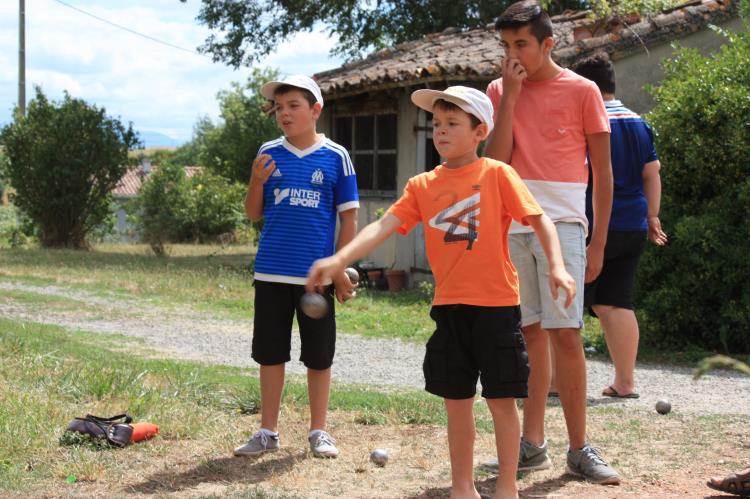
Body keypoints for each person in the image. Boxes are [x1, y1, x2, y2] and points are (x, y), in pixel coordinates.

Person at [307, 86, 576, 499]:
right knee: (457, 401)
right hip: (449, 308)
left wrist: (557, 266)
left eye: (453, 123)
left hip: (497, 307)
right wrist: (338, 259)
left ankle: (507, 487)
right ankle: (462, 489)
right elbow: (382, 227)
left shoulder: (497, 174)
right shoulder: (422, 185)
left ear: (479, 130)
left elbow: (540, 222)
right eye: (437, 124)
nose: (441, 132)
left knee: (503, 400)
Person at [484, 0, 620, 485]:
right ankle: (533, 445)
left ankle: (580, 449)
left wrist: (599, 242)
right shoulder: (501, 89)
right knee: (530, 336)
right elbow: (495, 164)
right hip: (515, 226)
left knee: (566, 334)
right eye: (506, 45)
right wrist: (512, 98)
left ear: (548, 43)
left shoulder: (583, 91)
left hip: (564, 227)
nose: (513, 53)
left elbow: (603, 174)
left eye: (521, 44)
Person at [233, 75, 359, 459]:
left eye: (293, 106)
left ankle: (318, 431)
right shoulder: (268, 154)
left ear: (315, 110)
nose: (284, 114)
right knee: (270, 355)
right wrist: (256, 181)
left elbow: (349, 221)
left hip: (315, 279)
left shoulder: (336, 157)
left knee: (319, 357)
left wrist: (338, 270)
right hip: (270, 272)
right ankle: (267, 431)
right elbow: (254, 213)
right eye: (279, 107)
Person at [570, 52, 667, 399]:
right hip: (633, 225)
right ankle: (625, 382)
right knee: (616, 302)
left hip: (593, 222)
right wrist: (652, 216)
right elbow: (651, 173)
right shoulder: (639, 122)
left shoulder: (588, 122)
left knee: (566, 303)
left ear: (586, 87)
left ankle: (556, 382)